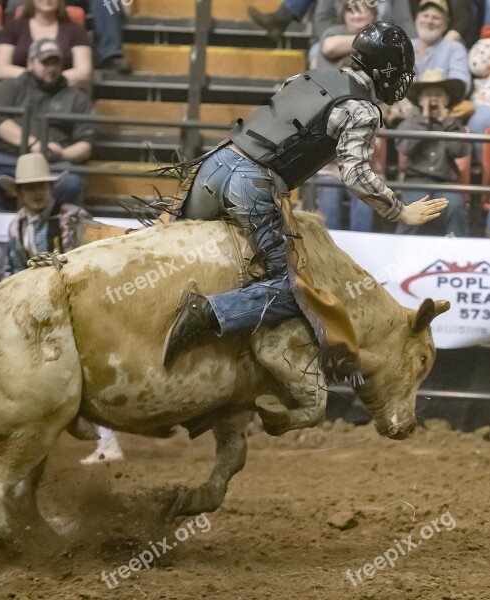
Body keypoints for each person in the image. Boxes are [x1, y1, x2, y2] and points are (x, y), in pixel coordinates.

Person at [162, 22, 449, 371]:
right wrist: (399, 211)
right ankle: (209, 313)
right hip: (251, 185)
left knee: (164, 253)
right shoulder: (363, 110)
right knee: (291, 292)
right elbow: (355, 172)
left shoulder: (312, 75)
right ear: (385, 69)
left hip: (216, 162)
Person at [2, 151, 124, 462]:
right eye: (30, 188)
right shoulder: (16, 227)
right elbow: (13, 270)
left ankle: (106, 440)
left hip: (81, 305)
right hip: (44, 310)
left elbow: (95, 260)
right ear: (19, 193)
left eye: (41, 187)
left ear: (50, 188)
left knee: (88, 371)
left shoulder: (72, 218)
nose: (37, 193)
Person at [0, 38, 94, 211]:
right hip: (9, 157)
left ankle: (47, 225)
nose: (51, 68)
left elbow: (86, 144)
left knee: (71, 182)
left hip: (52, 163)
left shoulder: (77, 97)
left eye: (55, 62)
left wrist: (62, 154)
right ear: (31, 63)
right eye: (45, 62)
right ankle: (2, 223)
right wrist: (34, 144)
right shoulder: (9, 86)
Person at [395, 70, 470, 236]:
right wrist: (425, 119)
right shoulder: (410, 123)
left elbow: (460, 150)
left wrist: (446, 122)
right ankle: (399, 250)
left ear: (447, 99)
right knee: (410, 208)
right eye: (428, 95)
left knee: (456, 206)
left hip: (445, 183)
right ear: (420, 100)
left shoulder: (454, 125)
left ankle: (457, 253)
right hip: (416, 182)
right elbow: (405, 148)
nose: (434, 99)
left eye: (438, 95)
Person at [0, 0, 92, 87]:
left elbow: (84, 73)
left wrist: (51, 79)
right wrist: (41, 77)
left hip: (63, 95)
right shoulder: (12, 28)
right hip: (20, 92)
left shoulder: (76, 30)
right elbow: (1, 70)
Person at [248, 0, 415, 41]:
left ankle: (280, 19)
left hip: (382, 42)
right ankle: (281, 18)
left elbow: (405, 21)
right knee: (318, 50)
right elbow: (323, 23)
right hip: (338, 40)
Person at [412, 0, 471, 93]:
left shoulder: (455, 49)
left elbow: (461, 86)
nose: (429, 21)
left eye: (436, 18)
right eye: (425, 15)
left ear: (445, 24)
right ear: (416, 19)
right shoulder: (404, 46)